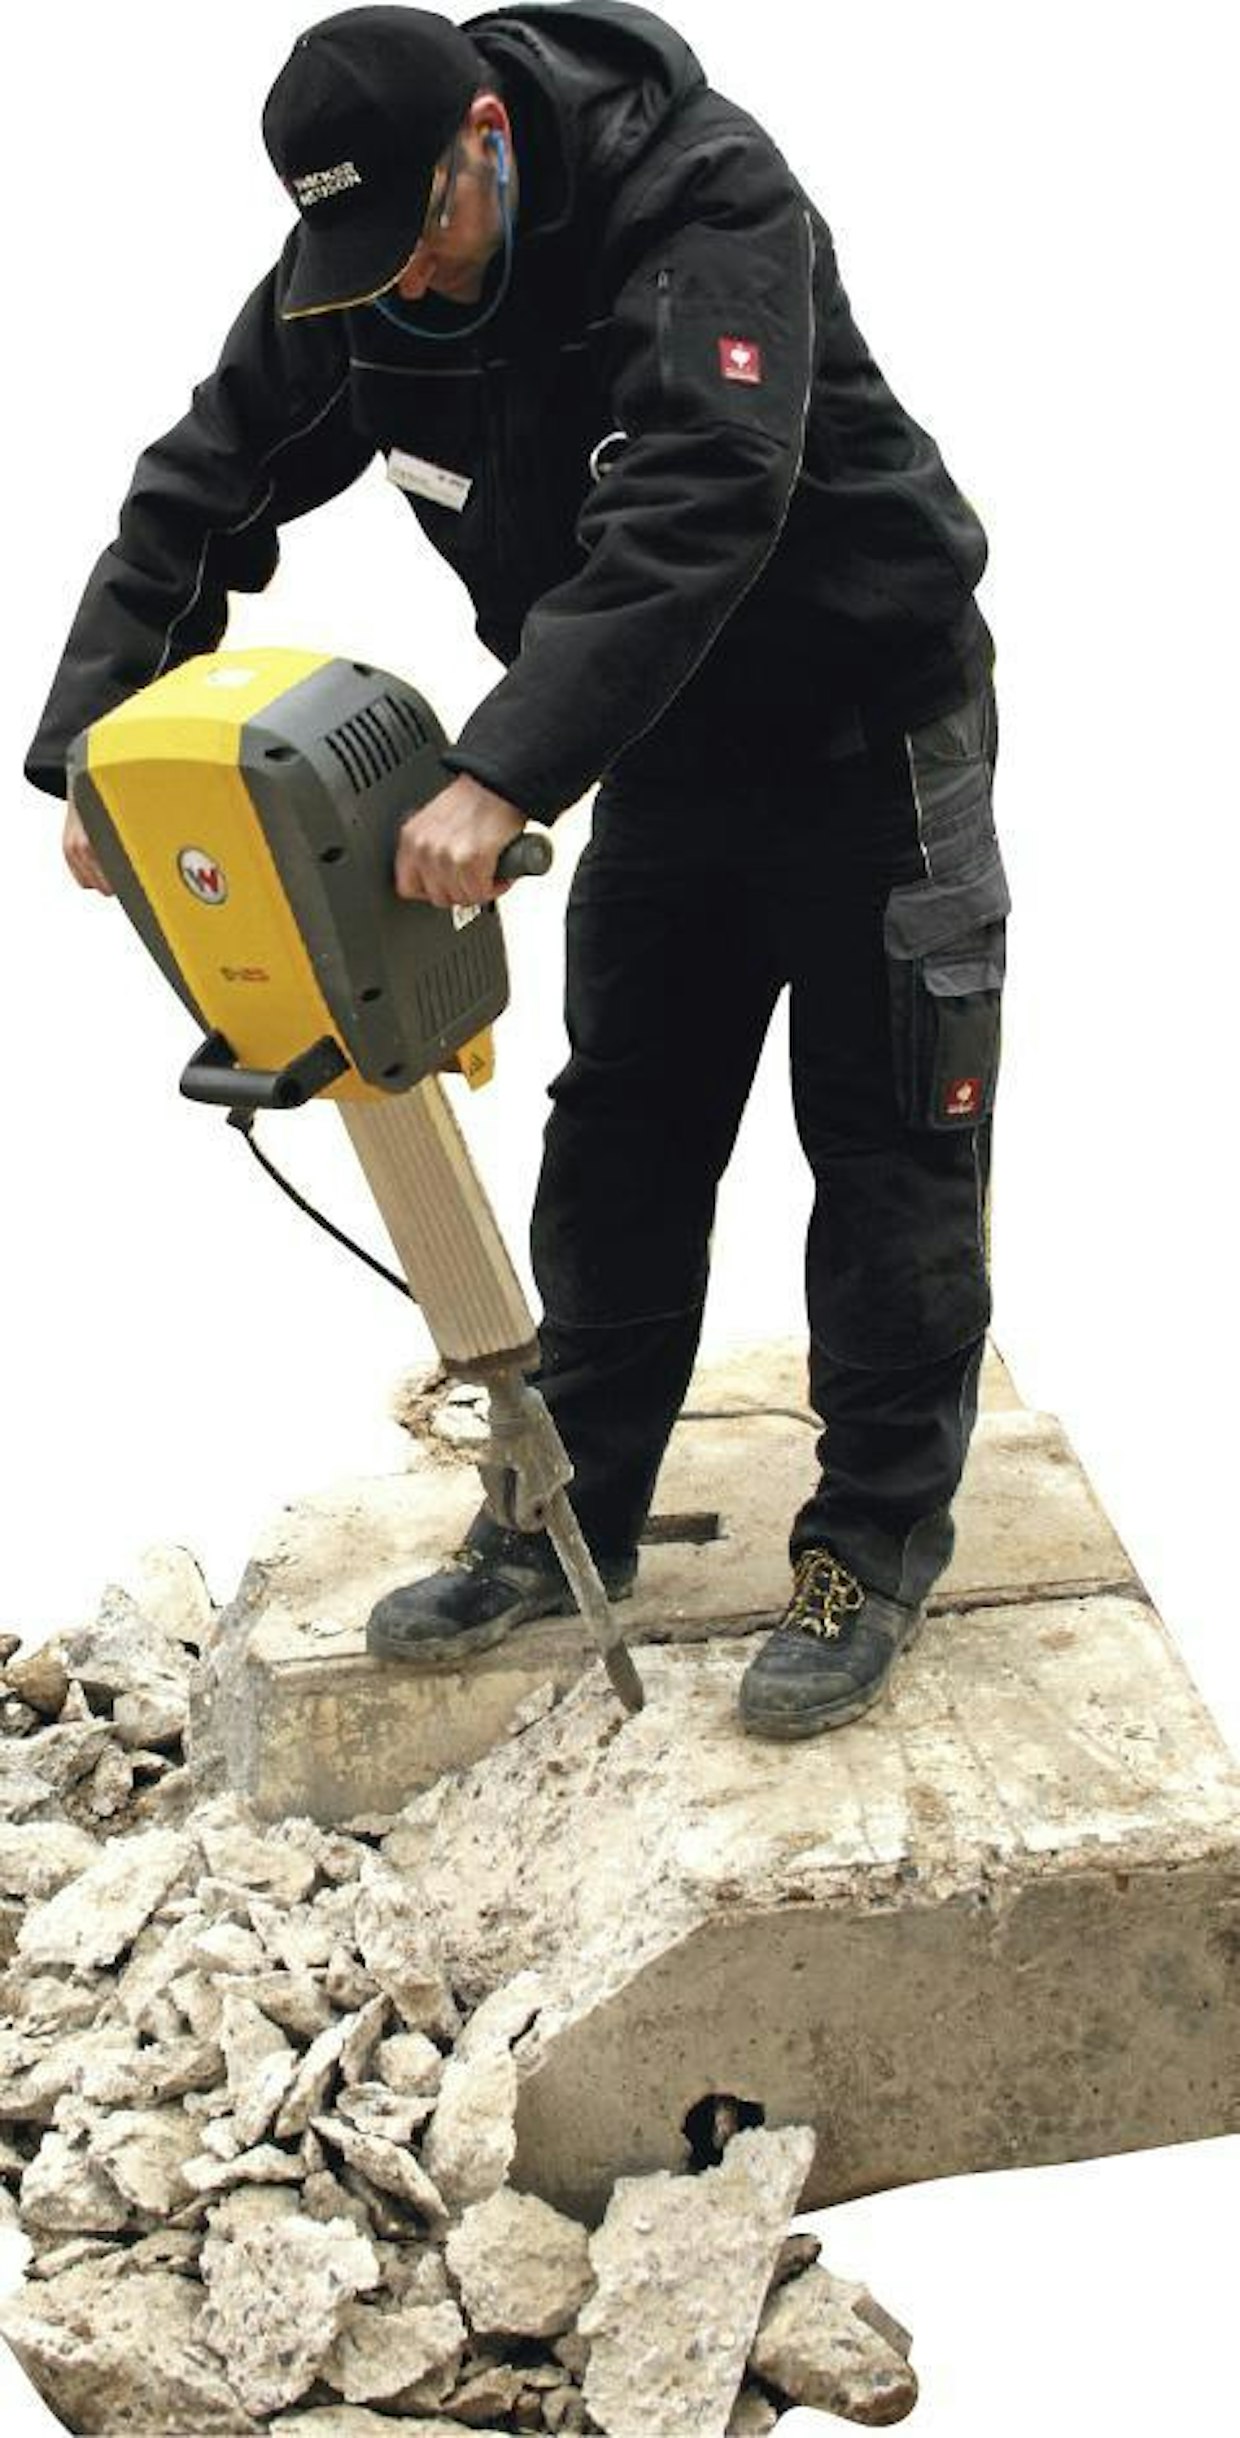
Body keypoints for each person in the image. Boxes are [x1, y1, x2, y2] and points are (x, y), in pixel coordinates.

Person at [27, 0, 1008, 1740]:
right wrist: (95, 740)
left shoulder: (706, 200)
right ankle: (568, 1514)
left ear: (486, 137)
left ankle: (866, 1548)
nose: (402, 283)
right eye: (363, 258)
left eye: (424, 233)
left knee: (886, 1150)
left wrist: (498, 771)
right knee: (624, 1129)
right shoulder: (364, 268)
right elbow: (205, 481)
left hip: (870, 732)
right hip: (667, 746)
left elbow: (704, 490)